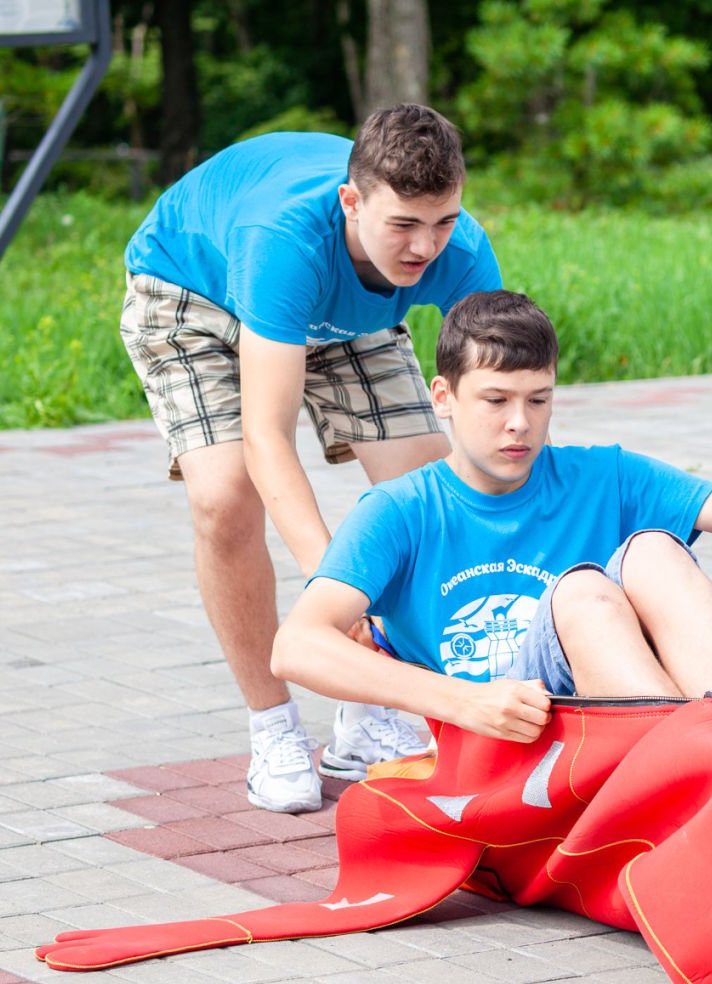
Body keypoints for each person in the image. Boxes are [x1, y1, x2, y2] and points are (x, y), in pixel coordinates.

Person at [119, 104, 501, 813]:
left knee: (431, 494)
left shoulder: (460, 249)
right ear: (352, 201)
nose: (425, 246)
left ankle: (367, 717)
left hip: (345, 315)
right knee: (226, 496)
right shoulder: (284, 238)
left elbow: (499, 406)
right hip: (194, 294)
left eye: (443, 220)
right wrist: (334, 588)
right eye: (404, 224)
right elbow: (268, 437)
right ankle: (273, 727)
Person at [270, 289, 712, 737]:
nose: (520, 422)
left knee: (655, 550)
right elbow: (296, 646)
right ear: (443, 398)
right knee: (581, 594)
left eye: (538, 399)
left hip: (621, 725)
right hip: (506, 741)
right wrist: (461, 700)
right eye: (496, 400)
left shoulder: (605, 476)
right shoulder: (400, 511)